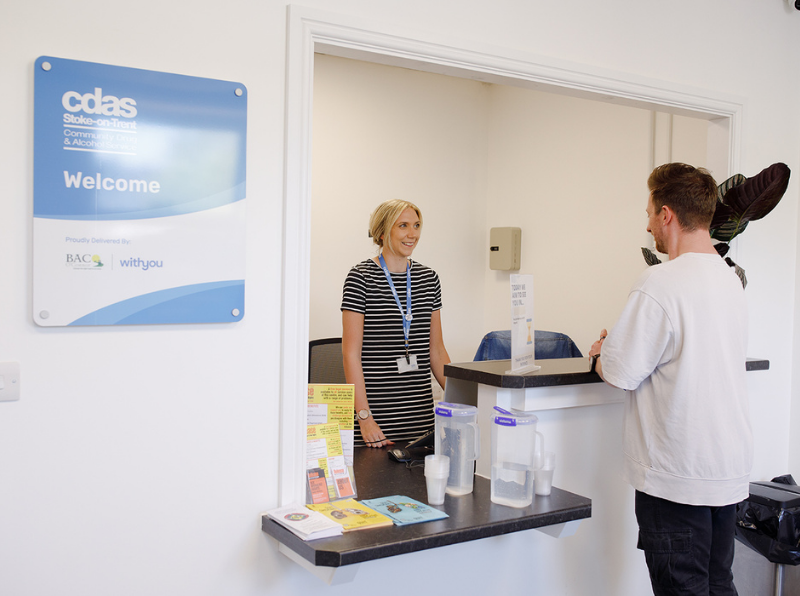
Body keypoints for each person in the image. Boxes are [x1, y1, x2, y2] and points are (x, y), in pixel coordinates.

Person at [588, 163, 752, 596]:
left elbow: (620, 372)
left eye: (648, 214)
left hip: (677, 477)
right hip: (726, 472)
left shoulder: (660, 282)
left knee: (683, 588)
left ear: (667, 214)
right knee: (718, 584)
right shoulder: (729, 279)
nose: (647, 226)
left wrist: (602, 353)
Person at [341, 199, 451, 448]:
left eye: (417, 225)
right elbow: (351, 355)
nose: (413, 234)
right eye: (403, 226)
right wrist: (364, 418)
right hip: (375, 423)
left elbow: (436, 351)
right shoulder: (361, 278)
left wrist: (464, 401)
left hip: (420, 421)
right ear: (382, 232)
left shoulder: (429, 279)